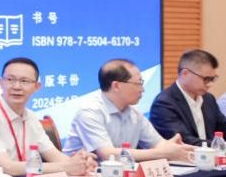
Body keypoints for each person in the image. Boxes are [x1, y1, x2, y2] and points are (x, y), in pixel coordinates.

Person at [0, 57, 95, 177]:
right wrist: (66, 167)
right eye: (10, 79)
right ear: (1, 83)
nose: (16, 86)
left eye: (24, 81)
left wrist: (81, 163)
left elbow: (54, 156)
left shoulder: (31, 117)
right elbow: (7, 167)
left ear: (37, 87)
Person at [63, 59, 193, 162]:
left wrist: (180, 149)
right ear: (116, 86)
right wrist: (162, 153)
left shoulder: (134, 113)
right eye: (139, 83)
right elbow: (108, 154)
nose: (142, 89)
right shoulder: (90, 111)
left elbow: (158, 144)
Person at [148, 49, 226, 146]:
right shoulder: (164, 104)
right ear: (185, 74)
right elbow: (185, 141)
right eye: (206, 79)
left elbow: (223, 125)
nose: (210, 84)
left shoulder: (208, 99)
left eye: (213, 79)